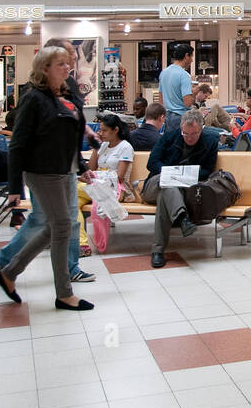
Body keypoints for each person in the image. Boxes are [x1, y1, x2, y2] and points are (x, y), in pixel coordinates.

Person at [0, 45, 94, 311]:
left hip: (64, 170)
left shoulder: (66, 95)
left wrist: (82, 166)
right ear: (45, 68)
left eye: (67, 62)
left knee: (56, 226)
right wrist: (14, 187)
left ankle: (9, 272)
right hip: (41, 172)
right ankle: (64, 293)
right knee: (62, 225)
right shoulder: (34, 98)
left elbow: (70, 136)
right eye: (60, 63)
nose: (66, 66)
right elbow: (18, 144)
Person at [141, 108, 222, 268]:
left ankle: (158, 251)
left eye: (194, 134)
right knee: (167, 184)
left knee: (166, 194)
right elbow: (152, 163)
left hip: (183, 189)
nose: (189, 138)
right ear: (181, 129)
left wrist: (188, 174)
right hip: (155, 184)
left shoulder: (210, 141)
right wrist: (171, 173)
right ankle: (182, 219)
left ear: (201, 129)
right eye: (185, 133)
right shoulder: (169, 137)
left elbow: (208, 169)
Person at [80, 114, 137, 216]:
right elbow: (91, 168)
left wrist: (96, 177)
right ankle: (78, 231)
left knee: (75, 192)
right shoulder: (104, 145)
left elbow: (119, 177)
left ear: (115, 130)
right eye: (100, 130)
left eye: (104, 130)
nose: (101, 133)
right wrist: (95, 146)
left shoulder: (125, 147)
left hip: (116, 189)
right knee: (76, 200)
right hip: (99, 185)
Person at [160, 44, 195, 132]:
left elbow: (161, 99)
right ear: (186, 56)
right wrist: (194, 93)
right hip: (181, 119)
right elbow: (187, 103)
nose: (192, 60)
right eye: (191, 57)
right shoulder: (184, 75)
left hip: (167, 117)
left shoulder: (164, 73)